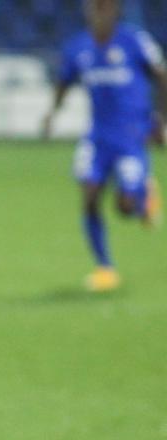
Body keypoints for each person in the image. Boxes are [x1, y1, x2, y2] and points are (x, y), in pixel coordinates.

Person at [42, 0, 167, 292]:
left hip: (132, 136)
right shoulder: (78, 48)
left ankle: (143, 197)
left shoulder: (134, 41)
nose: (99, 12)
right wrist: (52, 113)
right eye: (94, 7)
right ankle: (105, 268)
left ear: (115, 11)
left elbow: (161, 76)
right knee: (89, 194)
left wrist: (161, 120)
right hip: (98, 137)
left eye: (105, 6)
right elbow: (64, 82)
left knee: (124, 207)